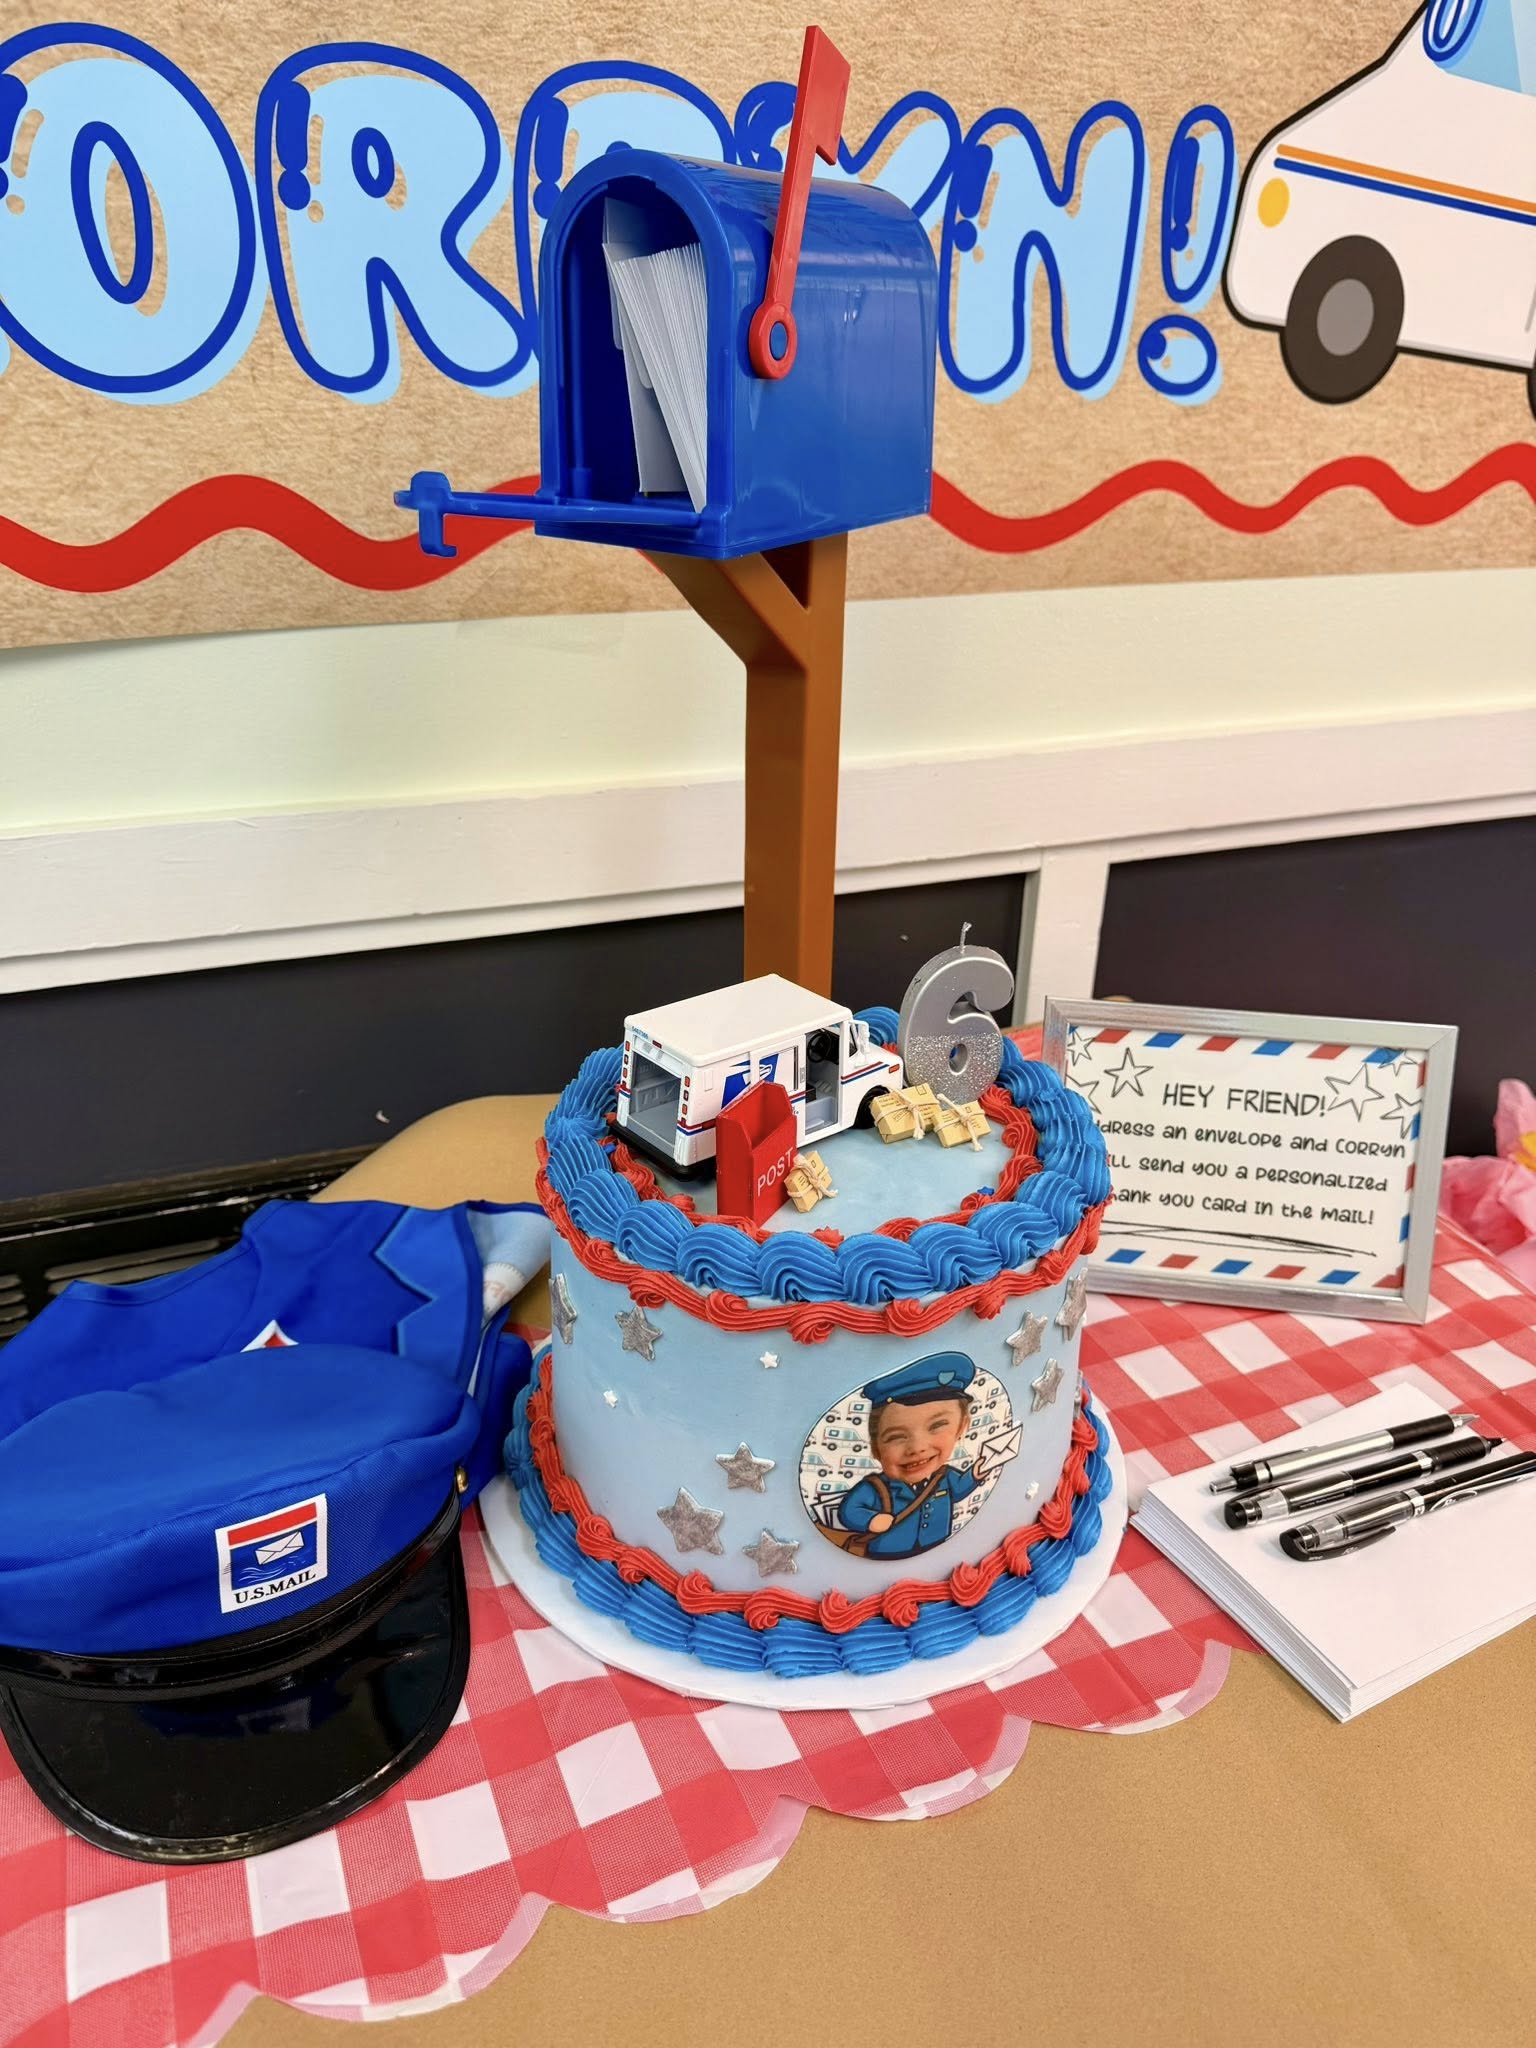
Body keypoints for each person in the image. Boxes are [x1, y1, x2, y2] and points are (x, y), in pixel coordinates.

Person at [833, 1354, 982, 1560]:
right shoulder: (876, 1488)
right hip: (885, 1556)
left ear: (962, 1427)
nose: (917, 1448)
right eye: (896, 1437)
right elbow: (849, 1511)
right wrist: (870, 1520)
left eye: (937, 1425)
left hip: (940, 1549)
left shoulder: (945, 1476)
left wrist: (974, 1474)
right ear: (875, 1448)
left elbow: (959, 1488)